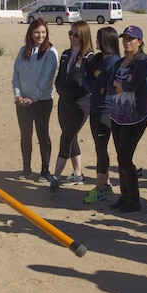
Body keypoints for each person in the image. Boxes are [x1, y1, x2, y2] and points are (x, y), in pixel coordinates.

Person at [108, 25, 147, 213]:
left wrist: (122, 85)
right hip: (117, 115)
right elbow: (111, 86)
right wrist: (121, 85)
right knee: (120, 156)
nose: (127, 42)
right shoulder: (119, 62)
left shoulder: (143, 60)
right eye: (124, 38)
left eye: (131, 39)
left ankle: (134, 199)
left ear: (139, 42)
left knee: (126, 156)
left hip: (135, 117)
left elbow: (133, 85)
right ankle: (125, 195)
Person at [48, 21, 94, 191]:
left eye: (76, 34)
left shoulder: (90, 58)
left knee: (66, 138)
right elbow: (60, 77)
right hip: (64, 103)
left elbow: (87, 84)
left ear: (83, 36)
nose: (72, 37)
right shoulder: (66, 54)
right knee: (71, 136)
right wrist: (61, 89)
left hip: (80, 105)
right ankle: (78, 174)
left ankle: (56, 176)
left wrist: (75, 91)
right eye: (70, 33)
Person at [12, 18, 59, 181]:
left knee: (42, 135)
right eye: (37, 32)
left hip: (42, 102)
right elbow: (16, 74)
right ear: (30, 33)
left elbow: (47, 79)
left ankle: (45, 170)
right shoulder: (22, 51)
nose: (40, 35)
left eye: (43, 32)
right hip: (22, 102)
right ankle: (26, 169)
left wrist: (33, 98)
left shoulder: (51, 52)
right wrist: (18, 95)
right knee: (25, 135)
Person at [81, 26, 121, 203]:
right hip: (94, 107)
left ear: (106, 41)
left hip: (106, 109)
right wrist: (97, 86)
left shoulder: (114, 62)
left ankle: (98, 189)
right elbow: (86, 80)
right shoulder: (96, 59)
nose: (95, 42)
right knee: (99, 146)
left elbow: (107, 87)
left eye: (98, 39)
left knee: (102, 147)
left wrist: (97, 86)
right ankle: (106, 184)